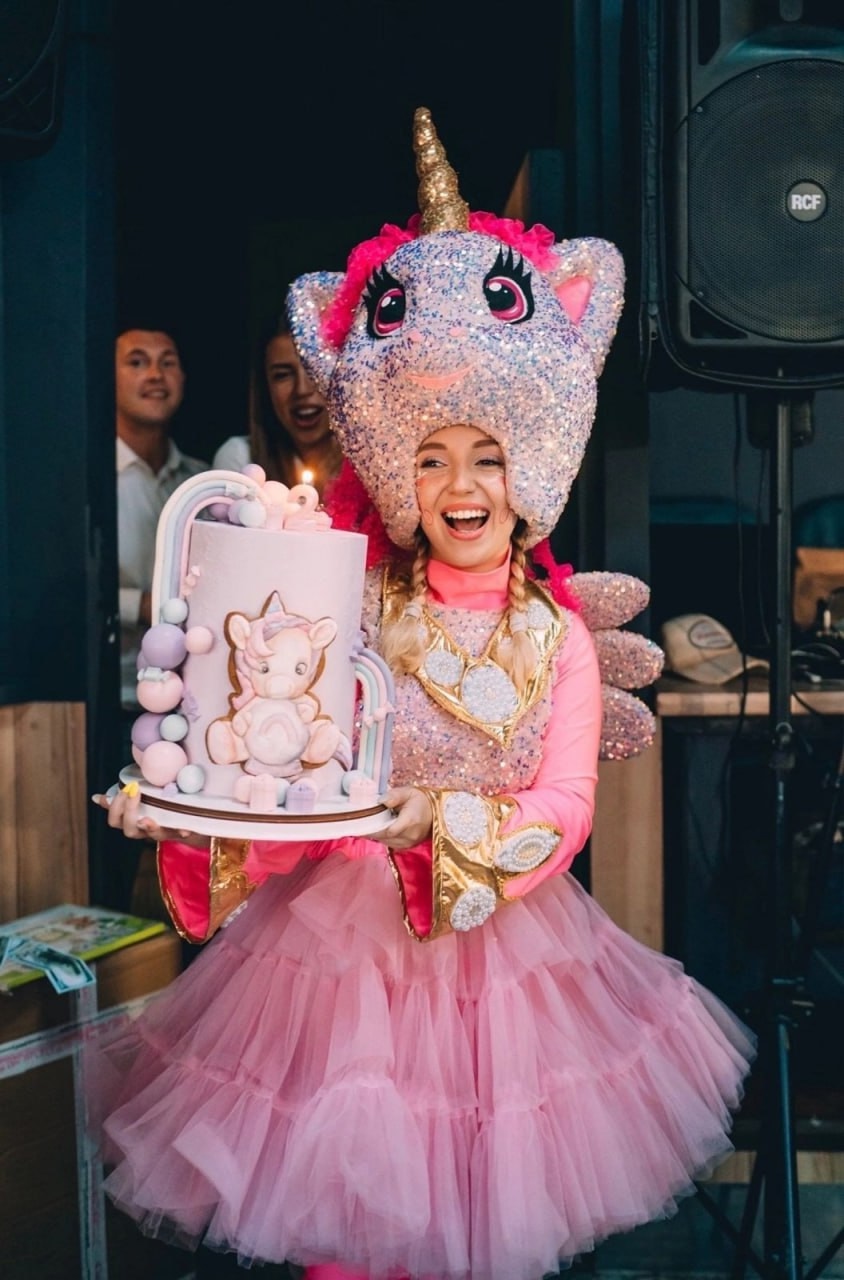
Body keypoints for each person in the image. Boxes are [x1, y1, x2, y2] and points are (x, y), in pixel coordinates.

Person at [91, 110, 755, 1280]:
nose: (462, 484)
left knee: (483, 1224)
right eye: (433, 457)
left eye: (487, 456)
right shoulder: (351, 609)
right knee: (343, 1235)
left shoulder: (557, 638)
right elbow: (297, 779)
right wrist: (189, 810)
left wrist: (433, 826)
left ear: (528, 469)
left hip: (509, 965)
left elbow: (565, 807)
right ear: (399, 471)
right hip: (334, 966)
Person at [116, 324, 207, 709]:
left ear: (183, 379)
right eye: (137, 362)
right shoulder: (85, 481)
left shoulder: (201, 482)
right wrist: (140, 604)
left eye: (167, 363)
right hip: (108, 692)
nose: (155, 374)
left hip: (188, 700)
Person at [212, 312, 342, 498]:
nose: (302, 389)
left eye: (316, 370)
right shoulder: (241, 458)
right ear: (265, 386)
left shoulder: (375, 462)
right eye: (283, 375)